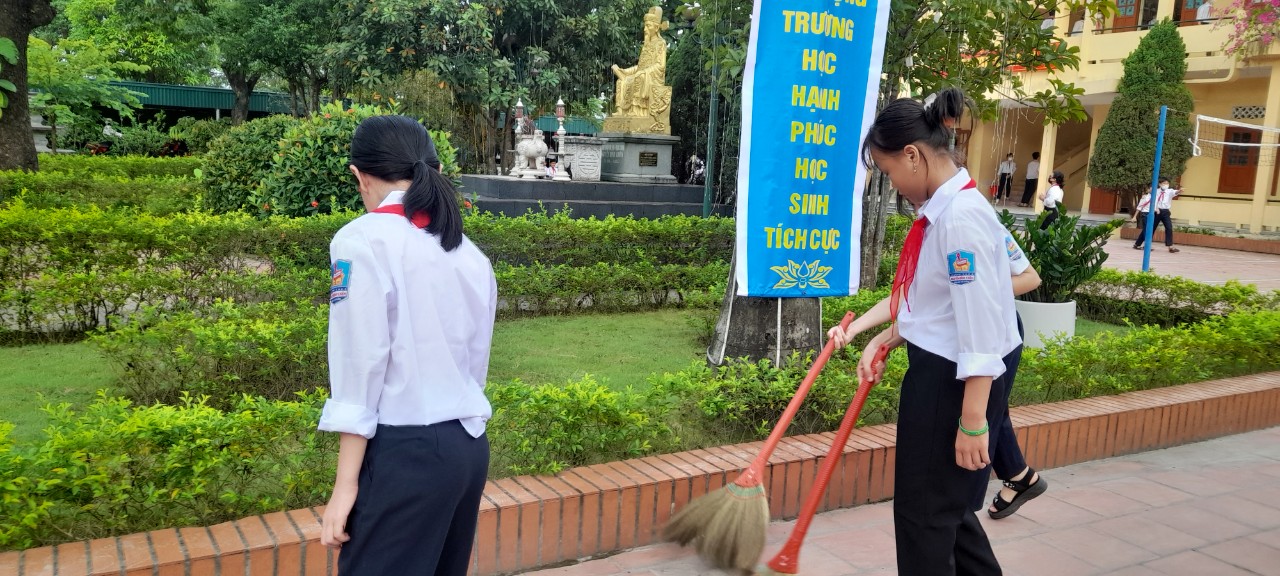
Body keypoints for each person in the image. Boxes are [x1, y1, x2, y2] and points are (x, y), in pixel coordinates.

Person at [827, 87, 1021, 575]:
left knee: (924, 517)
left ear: (912, 155)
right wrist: (880, 336)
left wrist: (973, 420)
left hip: (950, 384)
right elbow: (932, 304)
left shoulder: (959, 220)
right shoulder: (946, 212)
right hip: (944, 375)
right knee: (947, 511)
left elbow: (981, 327)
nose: (893, 184)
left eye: (889, 171)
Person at [318, 115, 498, 576]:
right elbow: (475, 364)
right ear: (432, 170)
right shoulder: (468, 252)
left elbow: (360, 365)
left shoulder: (361, 240)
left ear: (359, 176)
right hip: (467, 448)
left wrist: (344, 486)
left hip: (407, 453)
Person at [1135, 177, 1181, 252]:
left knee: (1169, 227)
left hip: (1165, 212)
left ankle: (1170, 246)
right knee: (1150, 228)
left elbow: (1175, 192)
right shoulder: (1156, 191)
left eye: (1167, 183)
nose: (1166, 185)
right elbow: (1149, 195)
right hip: (1156, 211)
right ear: (1160, 184)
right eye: (1164, 183)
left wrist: (1179, 191)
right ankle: (1138, 244)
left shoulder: (1169, 191)